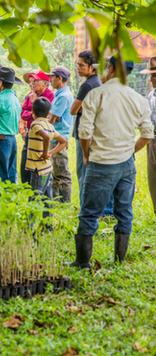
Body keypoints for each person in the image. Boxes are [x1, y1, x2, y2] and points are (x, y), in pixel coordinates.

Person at [70, 56, 153, 268]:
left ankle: (82, 261)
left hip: (101, 163)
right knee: (124, 212)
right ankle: (119, 260)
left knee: (89, 213)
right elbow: (146, 134)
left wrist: (87, 154)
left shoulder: (96, 94)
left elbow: (84, 131)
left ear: (110, 68)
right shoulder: (139, 99)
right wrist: (130, 150)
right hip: (127, 165)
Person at [26, 97, 68, 229]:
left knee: (34, 197)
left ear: (32, 111)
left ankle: (29, 227)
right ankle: (48, 226)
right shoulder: (50, 125)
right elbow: (64, 142)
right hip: (47, 168)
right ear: (49, 112)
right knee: (47, 198)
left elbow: (46, 137)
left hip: (38, 169)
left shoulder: (35, 124)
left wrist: (45, 153)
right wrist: (51, 153)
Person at [70, 50, 102, 206]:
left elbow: (72, 110)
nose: (78, 68)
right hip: (96, 132)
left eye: (82, 65)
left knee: (83, 172)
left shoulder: (87, 84)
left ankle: (84, 207)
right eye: (77, 65)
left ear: (92, 67)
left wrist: (81, 107)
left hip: (83, 133)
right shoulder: (99, 82)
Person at [20, 70, 54, 183]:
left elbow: (46, 116)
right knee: (25, 160)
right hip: (31, 131)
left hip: (43, 132)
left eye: (35, 81)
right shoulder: (30, 95)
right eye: (32, 81)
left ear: (45, 83)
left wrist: (34, 103)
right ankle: (26, 186)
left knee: (41, 163)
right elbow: (23, 114)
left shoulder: (50, 96)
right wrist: (33, 114)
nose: (32, 83)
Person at [47, 66, 74, 202]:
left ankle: (65, 202)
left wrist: (51, 116)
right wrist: (51, 116)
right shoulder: (60, 95)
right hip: (55, 137)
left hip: (59, 138)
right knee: (55, 172)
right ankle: (57, 202)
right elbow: (51, 116)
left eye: (52, 77)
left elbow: (51, 119)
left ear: (60, 78)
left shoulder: (63, 96)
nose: (50, 79)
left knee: (61, 172)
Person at [0, 67, 22, 183]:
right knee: (11, 172)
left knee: (0, 173)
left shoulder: (0, 99)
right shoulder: (15, 99)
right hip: (12, 140)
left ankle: (1, 199)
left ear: (1, 83)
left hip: (1, 140)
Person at [140, 56, 156, 216]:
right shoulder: (151, 96)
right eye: (151, 76)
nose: (152, 79)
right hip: (152, 140)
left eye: (155, 76)